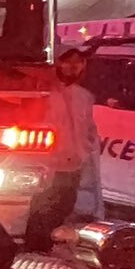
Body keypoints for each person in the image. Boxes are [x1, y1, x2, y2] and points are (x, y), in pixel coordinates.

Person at [28, 44, 104, 245]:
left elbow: (89, 129)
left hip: (73, 165)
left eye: (78, 62)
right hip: (48, 165)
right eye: (68, 62)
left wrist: (86, 153)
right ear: (57, 63)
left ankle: (46, 245)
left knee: (64, 206)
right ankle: (34, 245)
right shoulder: (42, 93)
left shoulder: (84, 96)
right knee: (40, 206)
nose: (73, 66)